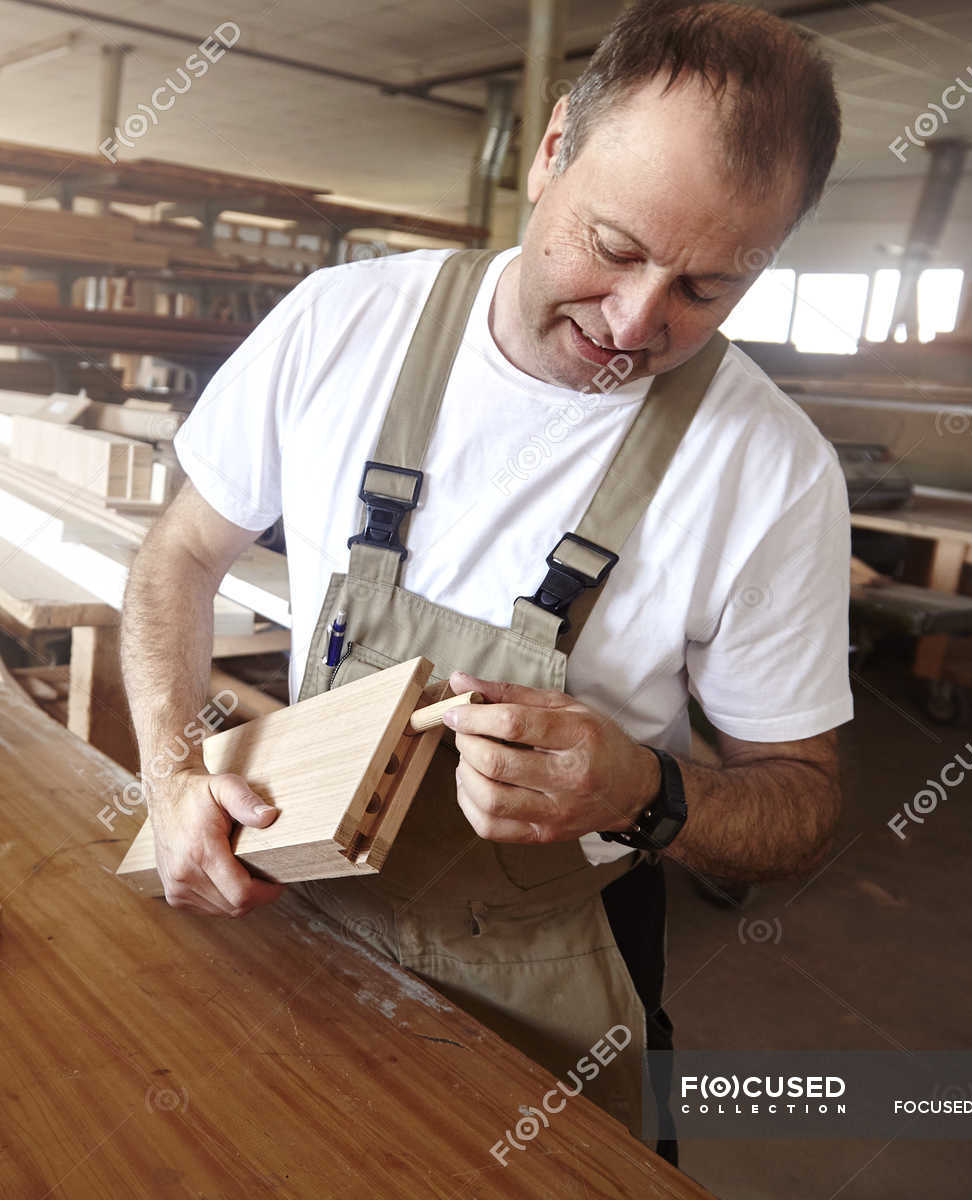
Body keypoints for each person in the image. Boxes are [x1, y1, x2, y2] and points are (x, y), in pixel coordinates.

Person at [120, 0, 851, 1162]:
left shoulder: (774, 475)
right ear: (553, 147)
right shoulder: (342, 323)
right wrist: (169, 769)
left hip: (554, 957)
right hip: (290, 886)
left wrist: (644, 791)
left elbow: (801, 803)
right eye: (613, 249)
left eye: (704, 292)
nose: (633, 322)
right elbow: (180, 553)